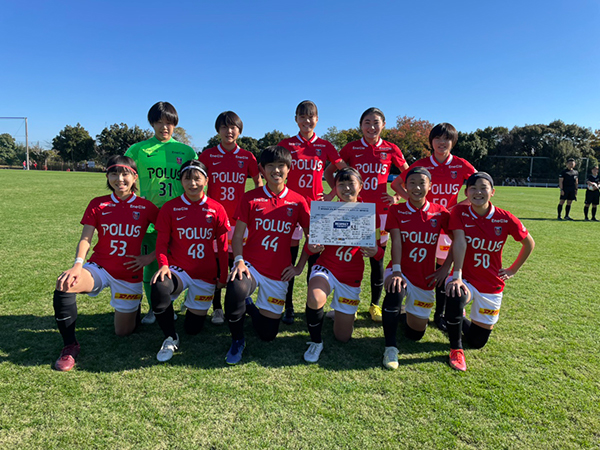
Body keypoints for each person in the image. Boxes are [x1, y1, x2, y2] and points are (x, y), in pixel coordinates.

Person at [53, 156, 159, 371]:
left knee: (123, 332)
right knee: (65, 284)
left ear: (135, 177)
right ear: (107, 177)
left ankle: (134, 306)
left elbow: (169, 234)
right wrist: (77, 265)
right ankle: (70, 346)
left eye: (125, 174)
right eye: (114, 174)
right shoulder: (98, 203)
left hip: (129, 273)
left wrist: (150, 257)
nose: (119, 179)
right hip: (99, 267)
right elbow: (86, 238)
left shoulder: (146, 206)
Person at [285, 167, 384, 363]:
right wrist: (300, 265)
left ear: (361, 186)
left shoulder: (370, 214)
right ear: (335, 188)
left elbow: (380, 251)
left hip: (351, 275)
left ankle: (338, 312)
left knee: (343, 337)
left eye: (351, 183)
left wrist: (375, 252)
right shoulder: (326, 211)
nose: (346, 188)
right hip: (326, 268)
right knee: (315, 297)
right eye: (341, 184)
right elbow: (311, 245)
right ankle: (316, 342)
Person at [224, 146, 310, 365]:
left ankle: (250, 306)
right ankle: (237, 340)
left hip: (278, 272)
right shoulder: (250, 197)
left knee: (267, 334)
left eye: (281, 166)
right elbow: (237, 236)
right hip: (251, 265)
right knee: (235, 287)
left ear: (289, 169)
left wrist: (299, 267)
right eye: (270, 166)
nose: (276, 170)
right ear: (262, 169)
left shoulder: (298, 201)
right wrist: (239, 261)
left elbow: (313, 238)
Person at [445, 172, 535, 371]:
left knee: (477, 341)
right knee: (455, 294)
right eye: (473, 188)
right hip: (466, 279)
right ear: (466, 193)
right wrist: (456, 275)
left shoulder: (505, 218)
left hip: (491, 284)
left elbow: (529, 243)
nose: (478, 192)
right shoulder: (460, 212)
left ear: (492, 192)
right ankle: (456, 349)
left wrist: (513, 269)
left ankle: (453, 318)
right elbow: (458, 242)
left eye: (483, 188)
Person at [395, 123, 476, 331]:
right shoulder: (421, 165)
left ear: (453, 142)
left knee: (442, 268)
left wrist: (459, 207)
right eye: (437, 139)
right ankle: (409, 306)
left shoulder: (460, 164)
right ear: (431, 142)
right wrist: (413, 203)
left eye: (446, 139)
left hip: (447, 223)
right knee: (419, 264)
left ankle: (440, 314)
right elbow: (396, 185)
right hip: (423, 223)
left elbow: (478, 185)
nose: (442, 143)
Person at [331, 107, 409, 322]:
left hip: (381, 214)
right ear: (361, 125)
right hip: (355, 212)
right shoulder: (351, 147)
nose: (371, 127)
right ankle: (348, 303)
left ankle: (375, 305)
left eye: (376, 122)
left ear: (383, 125)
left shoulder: (391, 148)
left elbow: (408, 174)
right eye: (367, 122)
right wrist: (337, 193)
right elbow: (332, 172)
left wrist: (396, 196)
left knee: (377, 258)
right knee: (349, 257)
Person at [125, 102, 197, 324]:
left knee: (184, 261)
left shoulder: (186, 151)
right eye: (159, 122)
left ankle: (184, 301)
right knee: (151, 265)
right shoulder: (138, 150)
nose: (164, 127)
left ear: (175, 124)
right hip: (149, 219)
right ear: (152, 123)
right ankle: (154, 308)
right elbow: (125, 179)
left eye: (168, 123)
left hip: (180, 217)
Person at [150, 160, 230, 362]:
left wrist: (222, 277)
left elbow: (223, 248)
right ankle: (170, 336)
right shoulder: (170, 207)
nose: (192, 183)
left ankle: (189, 303)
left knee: (193, 329)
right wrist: (164, 265)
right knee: (160, 286)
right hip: (179, 270)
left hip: (205, 274)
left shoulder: (216, 208)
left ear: (206, 180)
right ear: (181, 181)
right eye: (187, 179)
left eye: (197, 178)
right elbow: (161, 243)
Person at [278, 100, 347, 324]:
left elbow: (346, 171)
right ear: (296, 119)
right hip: (290, 208)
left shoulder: (325, 145)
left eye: (311, 117)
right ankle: (287, 306)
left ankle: (311, 307)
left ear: (317, 119)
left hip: (317, 211)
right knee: (288, 260)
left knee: (314, 261)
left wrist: (332, 193)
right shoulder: (286, 144)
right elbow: (272, 169)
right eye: (303, 116)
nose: (307, 121)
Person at [381, 167, 451, 370]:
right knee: (395, 288)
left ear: (430, 186)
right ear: (405, 186)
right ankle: (390, 347)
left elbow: (458, 241)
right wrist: (396, 271)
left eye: (422, 183)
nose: (417, 187)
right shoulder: (396, 210)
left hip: (425, 277)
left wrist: (445, 268)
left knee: (415, 334)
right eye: (412, 183)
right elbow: (396, 241)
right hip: (400, 270)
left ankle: (402, 314)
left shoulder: (440, 212)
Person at [198, 111, 262, 325]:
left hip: (239, 222)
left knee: (238, 264)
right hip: (214, 220)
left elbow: (258, 182)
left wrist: (255, 207)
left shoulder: (247, 156)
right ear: (218, 130)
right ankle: (217, 308)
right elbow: (197, 181)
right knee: (216, 266)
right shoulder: (208, 155)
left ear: (239, 130)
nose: (229, 131)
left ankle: (238, 303)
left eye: (233, 127)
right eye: (224, 127)